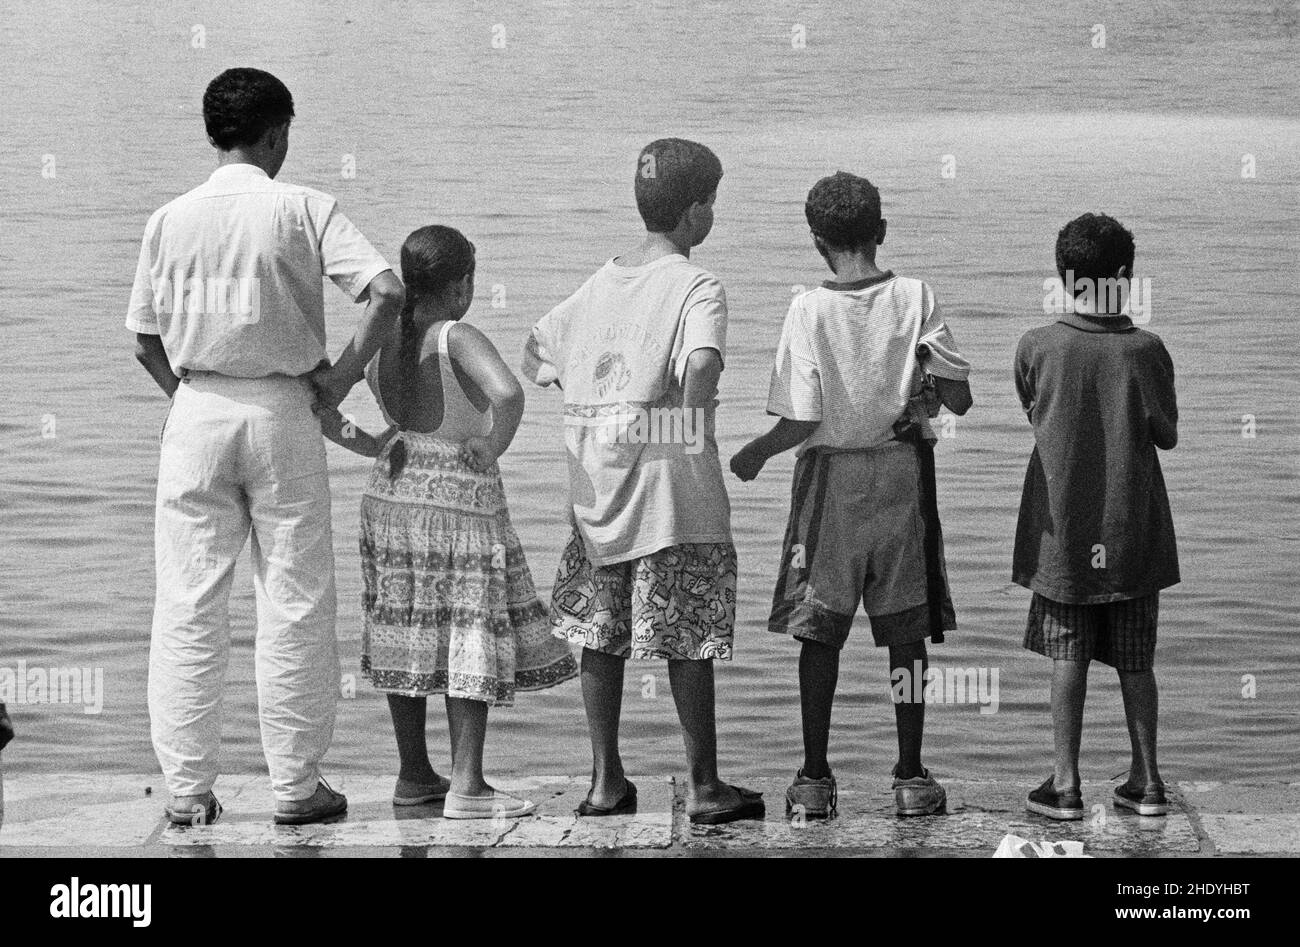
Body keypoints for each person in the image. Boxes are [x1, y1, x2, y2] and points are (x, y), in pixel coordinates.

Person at [126, 67, 405, 826]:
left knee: (187, 604)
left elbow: (145, 338)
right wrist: (341, 379)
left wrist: (190, 397)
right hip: (284, 412)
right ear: (277, 132)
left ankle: (186, 790)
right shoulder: (302, 207)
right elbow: (386, 292)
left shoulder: (168, 218)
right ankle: (295, 785)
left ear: (214, 133)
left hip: (195, 410)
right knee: (294, 600)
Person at [522, 138, 763, 824]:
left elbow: (537, 345)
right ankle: (706, 785)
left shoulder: (599, 283)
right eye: (712, 200)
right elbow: (705, 363)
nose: (713, 211)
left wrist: (600, 405)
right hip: (671, 496)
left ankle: (605, 782)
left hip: (597, 493)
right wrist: (684, 422)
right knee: (685, 637)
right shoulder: (697, 283)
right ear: (694, 212)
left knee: (601, 633)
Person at [731, 171, 972, 819]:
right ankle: (911, 776)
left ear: (816, 242)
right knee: (906, 631)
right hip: (901, 477)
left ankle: (814, 777)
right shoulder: (916, 295)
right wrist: (921, 386)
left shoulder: (807, 309)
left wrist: (755, 452)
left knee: (819, 630)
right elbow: (960, 397)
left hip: (828, 485)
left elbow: (803, 418)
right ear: (882, 232)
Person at [315, 225, 577, 819]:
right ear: (460, 283)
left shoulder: (381, 337)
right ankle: (468, 786)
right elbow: (509, 393)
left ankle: (414, 775)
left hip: (391, 492)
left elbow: (324, 406)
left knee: (404, 629)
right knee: (468, 629)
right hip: (458, 505)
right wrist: (493, 445)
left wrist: (377, 443)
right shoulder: (456, 336)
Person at [1015, 213, 1178, 820]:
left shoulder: (1038, 346)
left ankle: (1064, 784)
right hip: (1133, 535)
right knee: (1137, 661)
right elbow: (1166, 434)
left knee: (1068, 658)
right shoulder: (1147, 350)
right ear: (1126, 279)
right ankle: (1148, 781)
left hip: (1062, 537)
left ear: (1062, 276)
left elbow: (1035, 411)